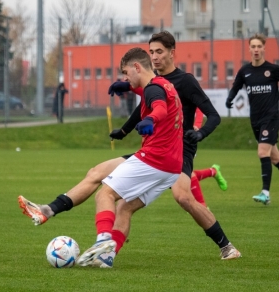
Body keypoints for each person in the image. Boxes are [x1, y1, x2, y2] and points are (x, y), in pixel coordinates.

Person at [18, 32, 240, 267]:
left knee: (132, 194)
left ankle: (224, 244)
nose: (154, 57)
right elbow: (147, 99)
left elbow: (161, 107)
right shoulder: (159, 84)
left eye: (159, 52)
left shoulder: (176, 83)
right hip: (163, 156)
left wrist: (194, 131)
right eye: (151, 52)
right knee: (103, 179)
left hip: (171, 151)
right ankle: (55, 216)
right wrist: (125, 124)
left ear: (171, 52)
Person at [76, 47, 184, 266]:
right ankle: (106, 258)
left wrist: (150, 120)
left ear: (137, 67)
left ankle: (103, 241)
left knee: (104, 194)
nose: (125, 77)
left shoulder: (154, 89)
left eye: (126, 73)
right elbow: (148, 91)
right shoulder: (164, 85)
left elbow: (160, 108)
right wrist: (127, 86)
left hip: (154, 159)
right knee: (125, 207)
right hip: (172, 168)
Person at [226, 33, 279, 205]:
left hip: (271, 117)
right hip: (255, 119)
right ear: (249, 49)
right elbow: (235, 87)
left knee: (262, 152)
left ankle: (265, 193)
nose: (256, 50)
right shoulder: (245, 71)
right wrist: (229, 98)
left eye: (259, 46)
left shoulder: (272, 70)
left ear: (264, 48)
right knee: (274, 158)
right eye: (253, 46)